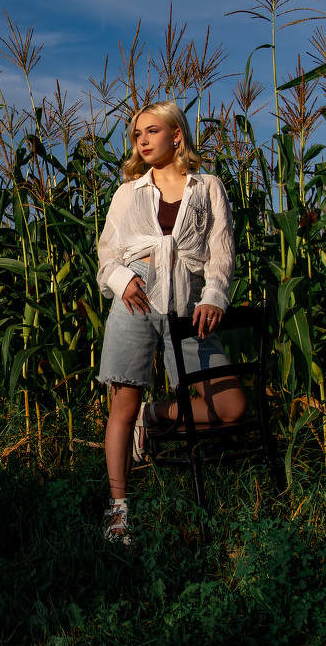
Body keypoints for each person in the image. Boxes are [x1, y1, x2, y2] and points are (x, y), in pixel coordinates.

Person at [96, 100, 245, 543]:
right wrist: (122, 281)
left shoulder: (208, 187)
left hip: (190, 306)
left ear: (176, 135)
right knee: (119, 407)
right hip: (135, 301)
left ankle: (153, 416)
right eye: (137, 134)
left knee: (231, 407)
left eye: (152, 131)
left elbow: (222, 253)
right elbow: (107, 253)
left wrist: (215, 296)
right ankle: (119, 510)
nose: (142, 140)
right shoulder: (128, 193)